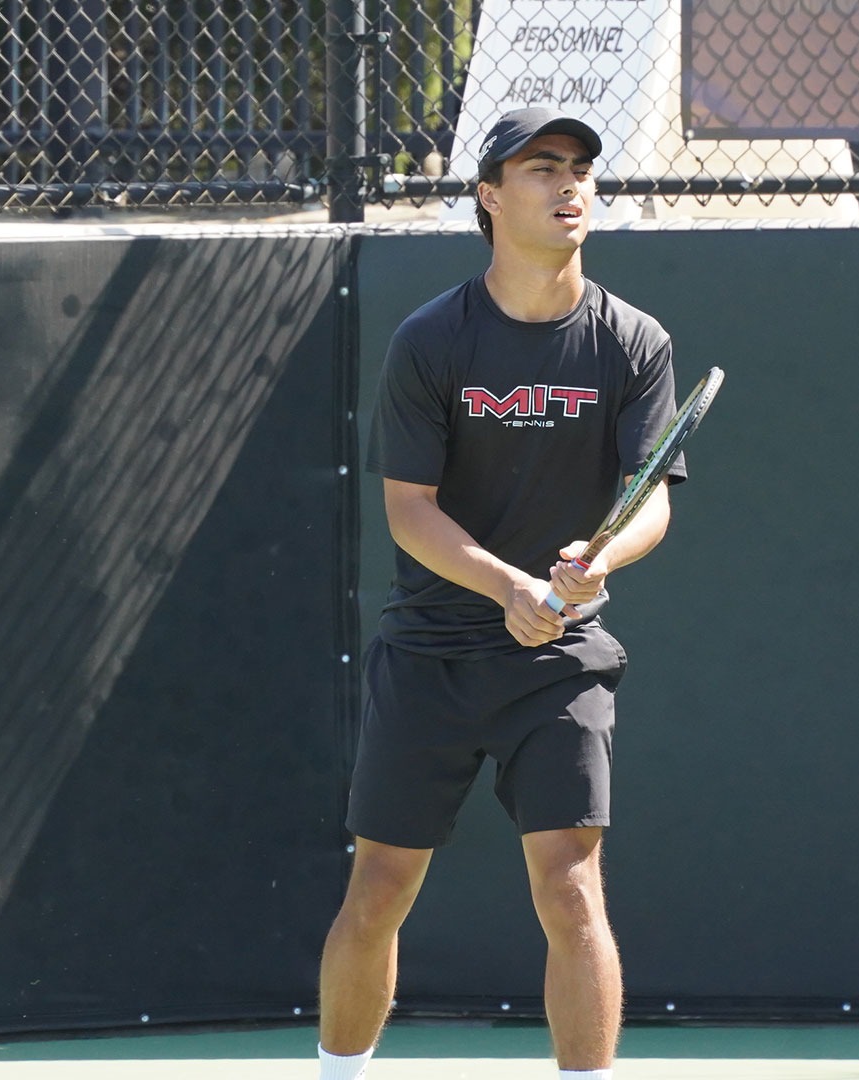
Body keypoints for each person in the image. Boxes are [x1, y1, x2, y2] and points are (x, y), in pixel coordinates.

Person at [315, 108, 687, 1080]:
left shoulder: (633, 342)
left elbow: (650, 504)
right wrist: (508, 584)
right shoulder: (431, 341)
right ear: (488, 194)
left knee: (571, 892)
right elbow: (408, 511)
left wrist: (600, 566)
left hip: (559, 663)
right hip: (433, 653)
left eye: (580, 171)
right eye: (542, 168)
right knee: (379, 889)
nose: (570, 186)